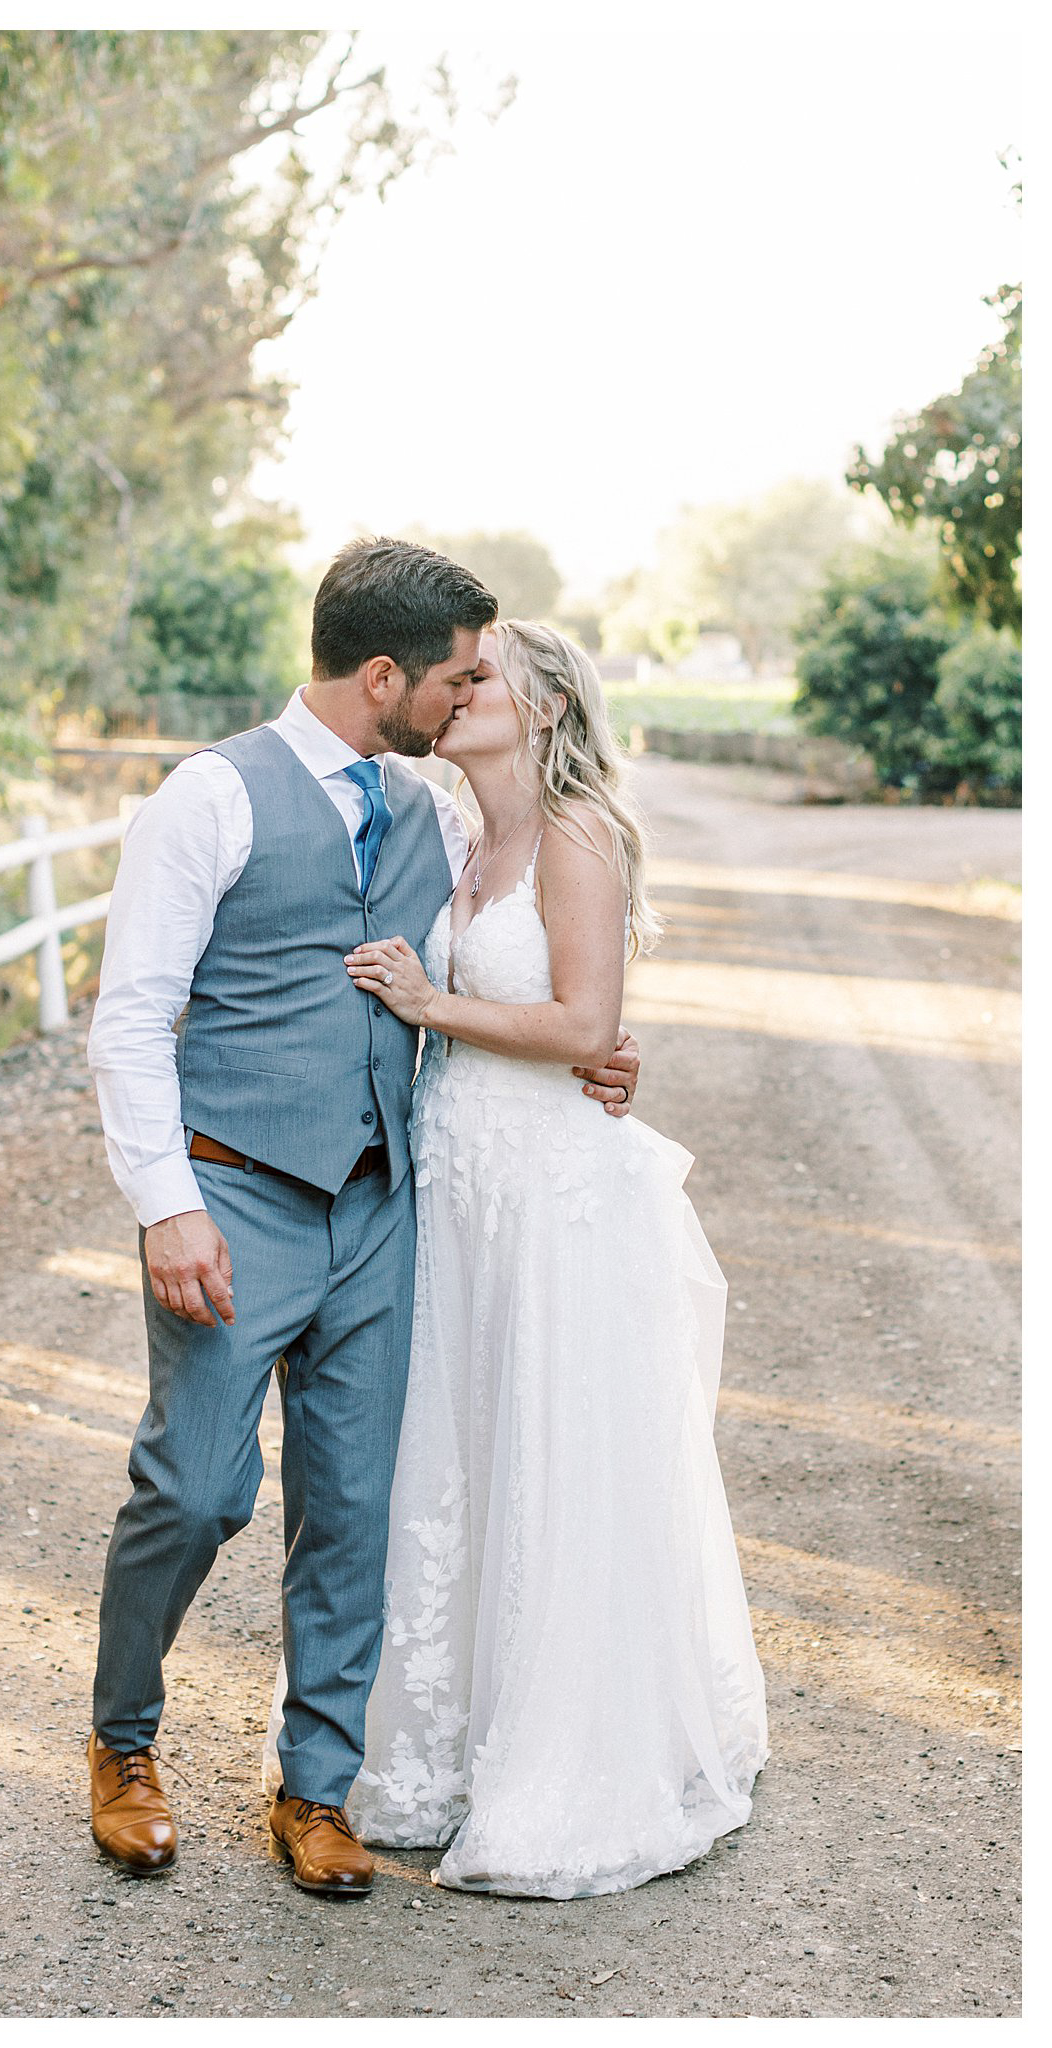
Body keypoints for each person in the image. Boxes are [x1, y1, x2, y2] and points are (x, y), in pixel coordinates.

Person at [85, 541, 642, 1895]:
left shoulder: (436, 812)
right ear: (382, 675)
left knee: (352, 1511)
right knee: (199, 1487)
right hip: (232, 1199)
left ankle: (317, 1788)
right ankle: (123, 1743)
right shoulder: (207, 799)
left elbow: (527, 952)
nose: (464, 700)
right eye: (451, 678)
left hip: (386, 1209)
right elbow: (131, 1017)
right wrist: (167, 1207)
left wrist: (592, 1049)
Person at [277, 617, 767, 1898]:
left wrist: (436, 1005)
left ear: (545, 703)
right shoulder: (449, 832)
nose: (456, 689)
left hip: (550, 1187)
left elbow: (585, 1019)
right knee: (454, 1443)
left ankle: (562, 1758)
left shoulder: (578, 832)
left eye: (480, 674)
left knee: (550, 1446)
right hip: (456, 1176)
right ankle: (429, 1751)